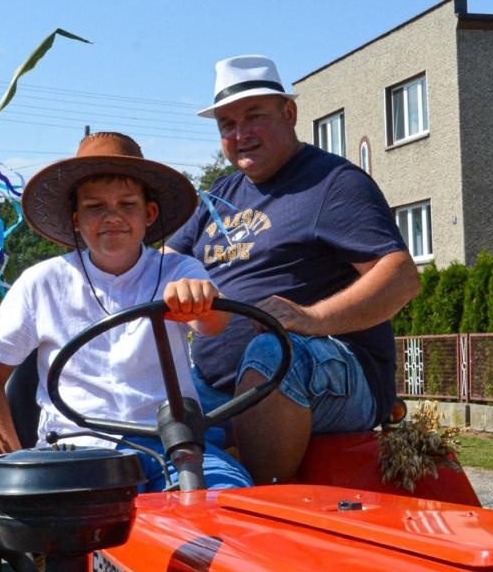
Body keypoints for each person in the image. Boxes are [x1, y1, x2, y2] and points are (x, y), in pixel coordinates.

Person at [166, 55, 420, 483]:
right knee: (149, 399)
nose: (240, 134)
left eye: (253, 116)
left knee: (274, 353)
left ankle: (256, 501)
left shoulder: (332, 183)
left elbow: (400, 277)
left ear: (289, 113)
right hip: (217, 385)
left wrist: (313, 318)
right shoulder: (219, 195)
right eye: (227, 124)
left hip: (333, 372)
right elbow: (164, 265)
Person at [0, 132, 249, 492]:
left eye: (127, 204)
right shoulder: (41, 283)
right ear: (75, 219)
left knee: (229, 500)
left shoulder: (179, 271)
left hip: (170, 441)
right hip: (76, 447)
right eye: (95, 207)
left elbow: (213, 323)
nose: (111, 217)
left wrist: (199, 301)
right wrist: (16, 464)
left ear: (149, 214)